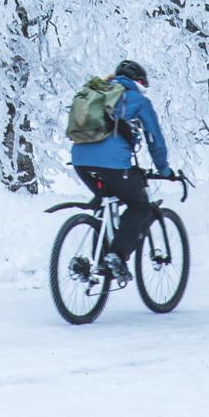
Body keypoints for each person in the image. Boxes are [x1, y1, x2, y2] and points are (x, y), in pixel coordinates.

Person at [69, 58, 170, 286]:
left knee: (105, 198)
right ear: (137, 81)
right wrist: (164, 168)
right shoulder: (137, 99)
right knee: (139, 205)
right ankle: (117, 256)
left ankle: (95, 260)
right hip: (113, 164)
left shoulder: (95, 93)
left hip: (80, 162)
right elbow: (153, 137)